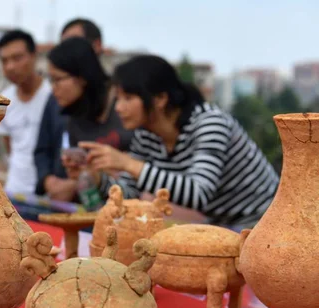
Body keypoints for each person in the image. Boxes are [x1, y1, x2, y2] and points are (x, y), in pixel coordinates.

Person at [70, 55, 279, 230]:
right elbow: (129, 194)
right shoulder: (146, 134)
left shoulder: (209, 122)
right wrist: (96, 178)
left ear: (160, 99)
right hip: (220, 223)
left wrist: (127, 163)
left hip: (265, 220)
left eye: (127, 98)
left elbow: (199, 193)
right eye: (118, 99)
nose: (118, 107)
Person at [44, 37, 133, 204]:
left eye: (57, 80)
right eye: (51, 80)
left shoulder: (125, 105)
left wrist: (108, 167)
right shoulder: (74, 120)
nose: (53, 88)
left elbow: (145, 167)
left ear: (82, 77)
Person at [34, 18, 105, 201]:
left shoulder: (121, 104)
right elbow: (42, 149)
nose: (54, 88)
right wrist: (50, 182)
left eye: (57, 80)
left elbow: (133, 172)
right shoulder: (67, 109)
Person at [0, 30, 52, 195]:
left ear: (34, 56)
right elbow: (9, 148)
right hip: (15, 192)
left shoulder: (54, 96)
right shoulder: (4, 100)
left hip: (49, 195)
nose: (10, 66)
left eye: (17, 58)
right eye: (4, 61)